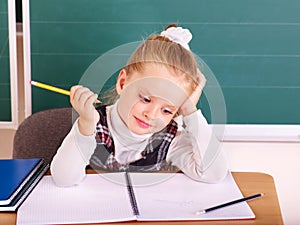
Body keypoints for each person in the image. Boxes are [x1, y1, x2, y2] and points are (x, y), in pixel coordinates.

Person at [50, 24, 228, 186]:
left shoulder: (169, 138)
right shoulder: (93, 124)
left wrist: (190, 111)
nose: (151, 115)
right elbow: (64, 179)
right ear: (122, 83)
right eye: (145, 99)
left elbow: (214, 174)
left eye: (167, 110)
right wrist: (85, 126)